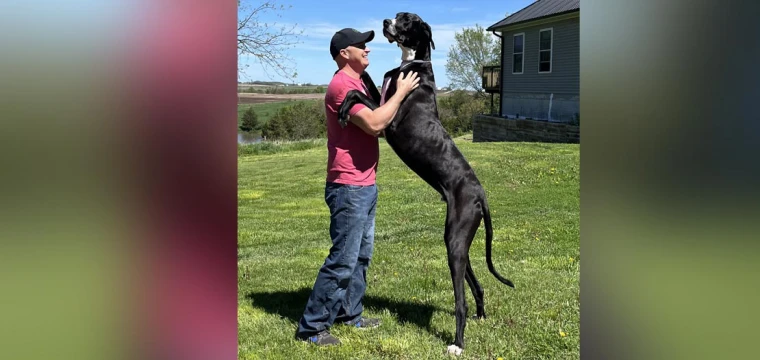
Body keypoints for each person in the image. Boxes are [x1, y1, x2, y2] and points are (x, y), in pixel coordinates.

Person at [295, 28, 420, 346]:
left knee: (361, 256)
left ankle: (349, 313)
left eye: (367, 45)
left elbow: (380, 116)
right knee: (343, 259)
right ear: (342, 54)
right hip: (347, 186)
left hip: (365, 183)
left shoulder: (361, 83)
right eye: (360, 46)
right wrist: (401, 92)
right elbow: (377, 123)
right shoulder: (341, 87)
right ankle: (312, 327)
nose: (367, 49)